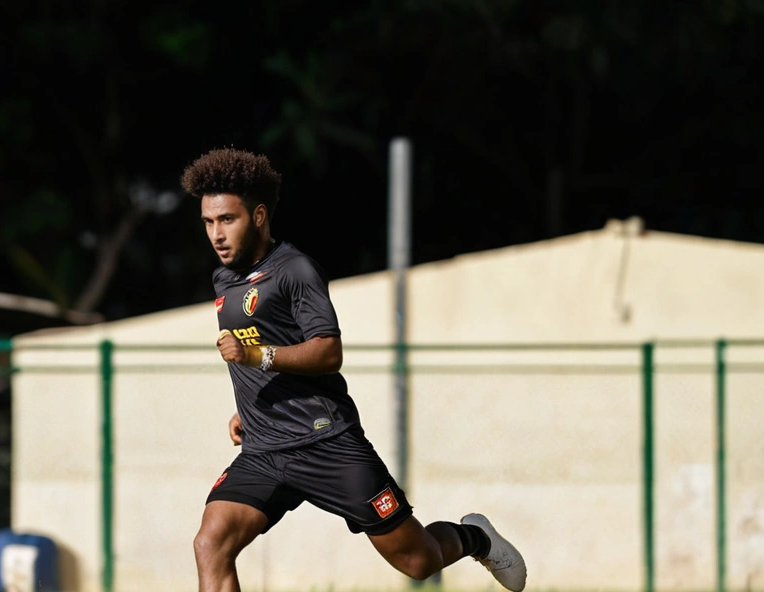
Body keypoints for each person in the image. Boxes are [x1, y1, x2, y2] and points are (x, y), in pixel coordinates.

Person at [180, 147, 526, 592]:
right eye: (208, 222)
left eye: (228, 219)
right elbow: (260, 350)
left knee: (417, 560)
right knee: (211, 542)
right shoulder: (223, 281)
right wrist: (250, 407)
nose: (216, 234)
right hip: (265, 450)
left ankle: (475, 537)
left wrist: (256, 356)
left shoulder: (295, 270)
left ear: (259, 215)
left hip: (328, 442)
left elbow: (327, 352)